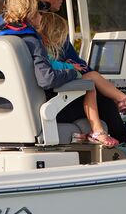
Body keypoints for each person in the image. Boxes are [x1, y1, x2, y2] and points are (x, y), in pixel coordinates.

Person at [0, 0, 126, 145]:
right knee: (102, 98)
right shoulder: (30, 40)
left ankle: (122, 128)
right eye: (39, 12)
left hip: (2, 108)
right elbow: (47, 79)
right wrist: (72, 72)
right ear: (31, 14)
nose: (41, 17)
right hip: (36, 109)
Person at [38, 12, 117, 146]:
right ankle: (100, 130)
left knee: (93, 85)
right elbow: (51, 66)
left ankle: (121, 104)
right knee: (91, 88)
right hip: (52, 104)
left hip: (45, 101)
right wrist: (71, 68)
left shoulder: (33, 47)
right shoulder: (45, 50)